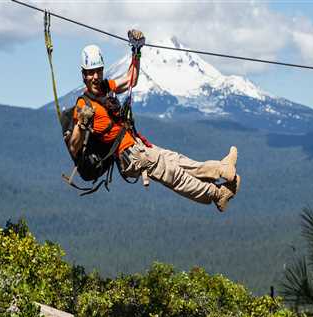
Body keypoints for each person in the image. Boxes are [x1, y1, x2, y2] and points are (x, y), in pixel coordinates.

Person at [68, 30, 240, 212]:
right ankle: (215, 194)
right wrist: (81, 124)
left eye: (98, 71)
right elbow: (74, 147)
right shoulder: (83, 104)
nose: (95, 77)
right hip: (130, 156)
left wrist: (136, 51)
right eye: (90, 73)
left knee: (176, 160)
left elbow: (130, 80)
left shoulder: (105, 87)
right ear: (83, 75)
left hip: (137, 146)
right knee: (173, 173)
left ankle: (222, 169)